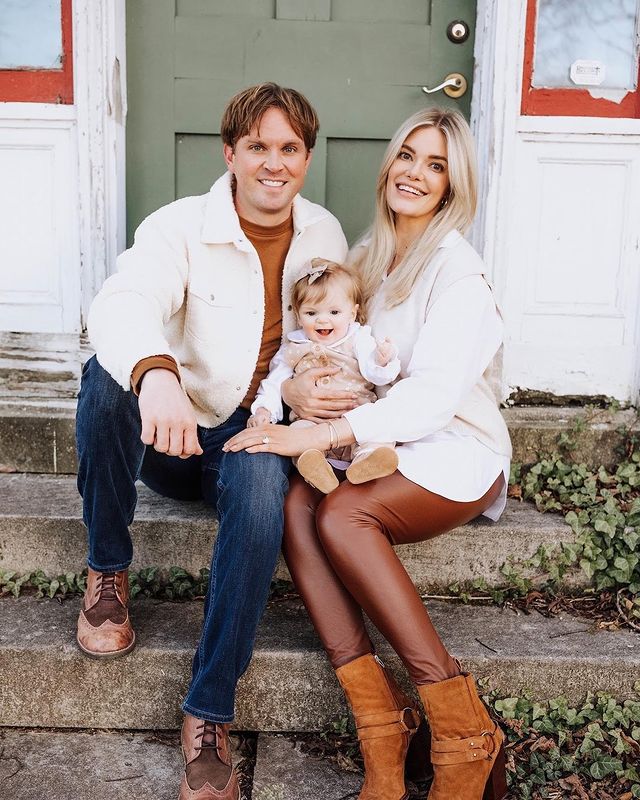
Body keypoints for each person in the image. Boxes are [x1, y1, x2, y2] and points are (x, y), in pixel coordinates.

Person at [224, 106, 513, 800]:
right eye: (408, 155)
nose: (415, 172)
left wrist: (316, 434)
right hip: (380, 443)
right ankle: (383, 724)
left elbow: (432, 400)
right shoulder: (372, 258)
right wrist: (292, 389)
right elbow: (324, 345)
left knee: (341, 518)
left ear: (453, 185)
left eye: (436, 164)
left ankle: (464, 730)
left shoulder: (458, 275)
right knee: (298, 504)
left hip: (453, 449)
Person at [75, 83, 347, 800]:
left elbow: (330, 331)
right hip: (176, 432)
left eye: (289, 148)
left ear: (307, 157)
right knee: (105, 381)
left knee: (261, 495)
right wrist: (156, 374)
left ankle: (208, 712)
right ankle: (107, 569)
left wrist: (308, 393)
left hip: (253, 433)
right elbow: (122, 301)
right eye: (258, 146)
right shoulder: (180, 227)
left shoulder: (324, 233)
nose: (274, 163)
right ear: (230, 153)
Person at [248, 258, 400, 493]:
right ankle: (315, 468)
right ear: (298, 316)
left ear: (353, 313)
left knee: (377, 433)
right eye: (311, 312)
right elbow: (275, 382)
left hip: (355, 420)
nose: (322, 319)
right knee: (298, 436)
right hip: (311, 424)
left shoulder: (358, 339)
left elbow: (375, 373)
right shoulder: (294, 346)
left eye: (334, 311)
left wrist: (382, 359)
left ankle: (367, 462)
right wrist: (263, 410)